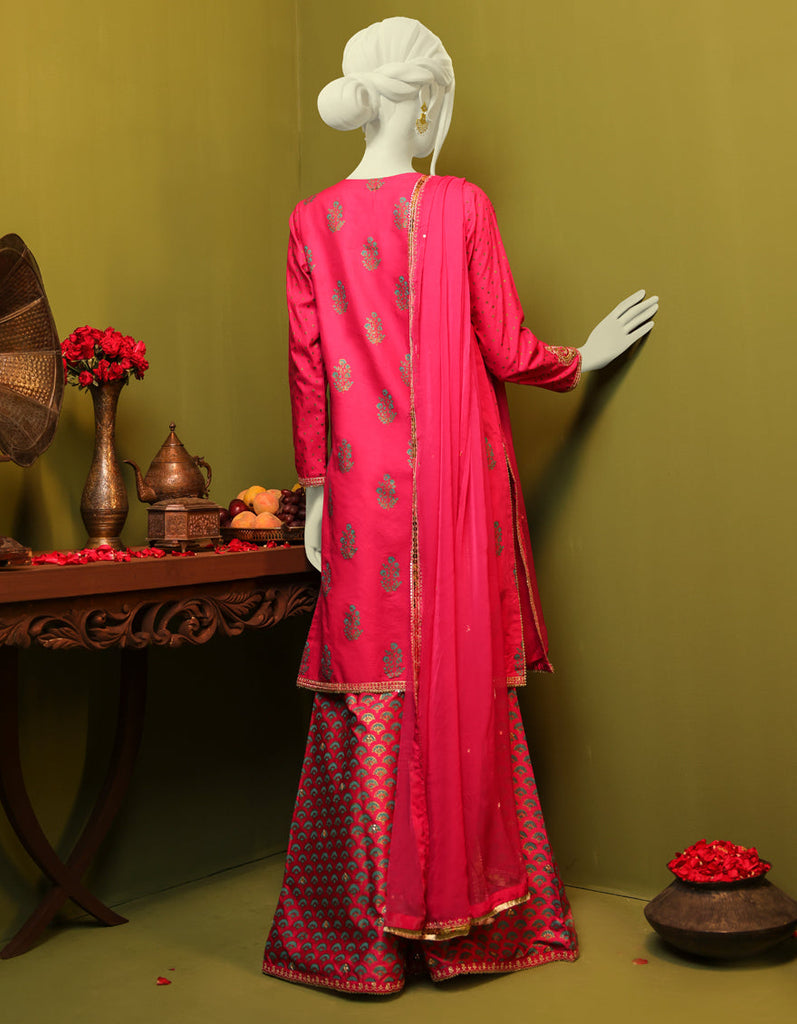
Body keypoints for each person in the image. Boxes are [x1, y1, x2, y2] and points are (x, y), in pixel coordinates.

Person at [263, 17, 657, 995]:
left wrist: (314, 494)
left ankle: (362, 945)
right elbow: (507, 346)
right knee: (458, 680)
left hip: (357, 498)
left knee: (371, 690)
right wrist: (579, 358)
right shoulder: (460, 205)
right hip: (453, 492)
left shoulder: (310, 220)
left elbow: (307, 371)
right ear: (427, 102)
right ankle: (464, 932)